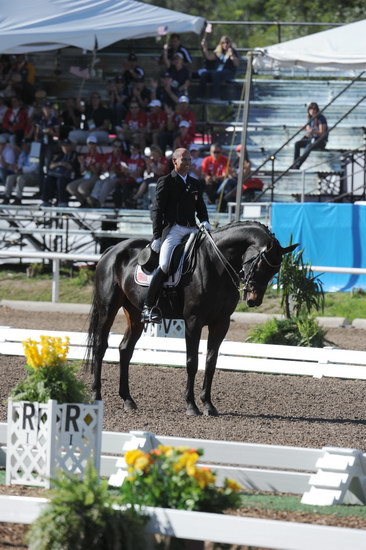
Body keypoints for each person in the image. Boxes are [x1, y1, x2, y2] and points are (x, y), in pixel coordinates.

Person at [141, 147, 212, 323]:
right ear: (175, 161)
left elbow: (200, 207)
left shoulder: (195, 183)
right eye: (184, 160)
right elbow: (157, 210)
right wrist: (157, 236)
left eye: (189, 160)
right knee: (164, 265)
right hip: (173, 230)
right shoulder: (166, 181)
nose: (188, 163)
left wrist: (205, 220)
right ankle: (148, 306)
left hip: (193, 229)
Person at [66, 135, 104, 206]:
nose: (91, 146)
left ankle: (91, 202)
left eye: (93, 144)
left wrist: (90, 165)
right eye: (90, 144)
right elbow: (82, 171)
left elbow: (97, 171)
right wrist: (82, 164)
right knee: (70, 187)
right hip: (86, 176)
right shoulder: (85, 156)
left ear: (96, 145)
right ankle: (83, 202)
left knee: (82, 188)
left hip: (95, 177)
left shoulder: (100, 156)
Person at [41, 139, 80, 207]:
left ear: (70, 146)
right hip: (58, 175)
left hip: (71, 176)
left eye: (66, 146)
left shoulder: (74, 154)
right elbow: (51, 165)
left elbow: (70, 166)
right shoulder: (60, 154)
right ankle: (46, 200)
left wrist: (59, 164)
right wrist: (61, 163)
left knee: (61, 181)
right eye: (63, 146)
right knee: (49, 179)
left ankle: (63, 202)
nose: (65, 148)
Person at [1, 138, 38, 205]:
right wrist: (16, 168)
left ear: (29, 145)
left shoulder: (35, 152)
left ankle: (18, 198)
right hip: (23, 174)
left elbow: (34, 168)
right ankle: (7, 197)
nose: (23, 146)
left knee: (20, 178)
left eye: (25, 145)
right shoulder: (23, 154)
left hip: (33, 175)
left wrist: (22, 169)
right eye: (23, 145)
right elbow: (19, 165)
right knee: (10, 177)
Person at [293, 102, 328, 169]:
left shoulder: (321, 118)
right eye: (310, 109)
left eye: (314, 109)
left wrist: (313, 131)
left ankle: (298, 165)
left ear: (317, 110)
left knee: (309, 146)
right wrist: (306, 129)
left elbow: (322, 133)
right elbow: (308, 130)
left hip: (320, 141)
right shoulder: (310, 119)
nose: (312, 111)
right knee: (297, 144)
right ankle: (295, 163)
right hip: (312, 139)